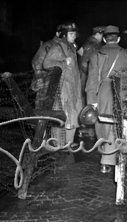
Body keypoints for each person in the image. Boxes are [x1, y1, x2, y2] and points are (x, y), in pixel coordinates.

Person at [85, 25, 127, 173]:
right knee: (119, 125)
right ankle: (116, 158)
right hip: (122, 92)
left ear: (105, 39)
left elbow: (91, 81)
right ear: (118, 39)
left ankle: (106, 161)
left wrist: (91, 102)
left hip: (104, 92)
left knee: (103, 126)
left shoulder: (96, 55)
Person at [43, 21, 82, 161]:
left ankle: (69, 145)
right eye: (71, 34)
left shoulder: (71, 47)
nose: (74, 36)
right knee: (61, 117)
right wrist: (63, 63)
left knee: (72, 117)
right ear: (64, 35)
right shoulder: (58, 47)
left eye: (74, 34)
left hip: (73, 88)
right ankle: (57, 146)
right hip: (63, 88)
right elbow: (46, 63)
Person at [30, 24, 62, 109]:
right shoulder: (48, 45)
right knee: (42, 106)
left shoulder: (66, 46)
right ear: (58, 33)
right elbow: (37, 62)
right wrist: (40, 79)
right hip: (46, 80)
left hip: (59, 82)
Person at [79, 26, 105, 106]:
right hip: (87, 79)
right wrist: (93, 74)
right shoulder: (91, 45)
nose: (103, 37)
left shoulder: (94, 44)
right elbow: (84, 63)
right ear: (97, 34)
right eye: (102, 35)